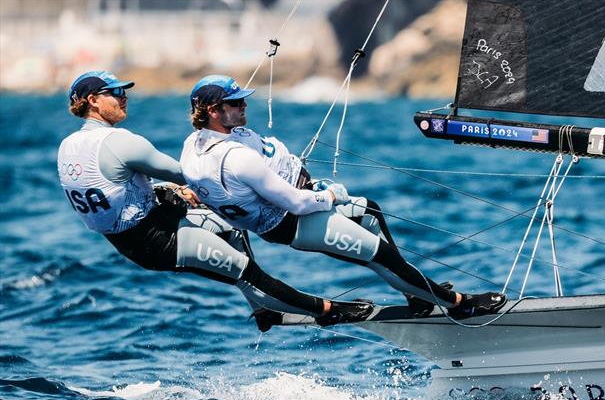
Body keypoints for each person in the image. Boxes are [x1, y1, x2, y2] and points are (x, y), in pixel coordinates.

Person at [57, 70, 374, 331]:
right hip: (160, 240)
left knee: (231, 228)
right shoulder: (119, 141)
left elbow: (111, 191)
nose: (124, 97)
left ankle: (263, 311)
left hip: (136, 238)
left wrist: (165, 191)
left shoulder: (68, 146)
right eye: (115, 92)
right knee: (249, 273)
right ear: (93, 101)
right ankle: (330, 310)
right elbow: (190, 174)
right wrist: (245, 171)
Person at [179, 75, 507, 319]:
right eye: (236, 103)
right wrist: (330, 196)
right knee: (380, 256)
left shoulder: (193, 146)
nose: (244, 105)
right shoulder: (235, 158)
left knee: (370, 212)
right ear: (214, 111)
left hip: (296, 208)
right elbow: (293, 202)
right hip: (295, 221)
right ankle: (461, 305)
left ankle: (418, 296)